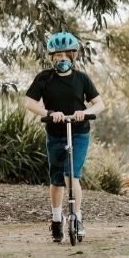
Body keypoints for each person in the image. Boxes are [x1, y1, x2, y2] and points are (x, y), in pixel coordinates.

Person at [24, 32, 105, 243]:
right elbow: (31, 103)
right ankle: (57, 219)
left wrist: (84, 113)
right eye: (57, 55)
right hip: (55, 134)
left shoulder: (81, 79)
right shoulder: (44, 78)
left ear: (73, 57)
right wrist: (50, 114)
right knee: (57, 180)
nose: (61, 60)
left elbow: (99, 104)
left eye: (65, 56)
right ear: (51, 57)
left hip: (78, 133)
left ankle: (76, 218)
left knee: (72, 175)